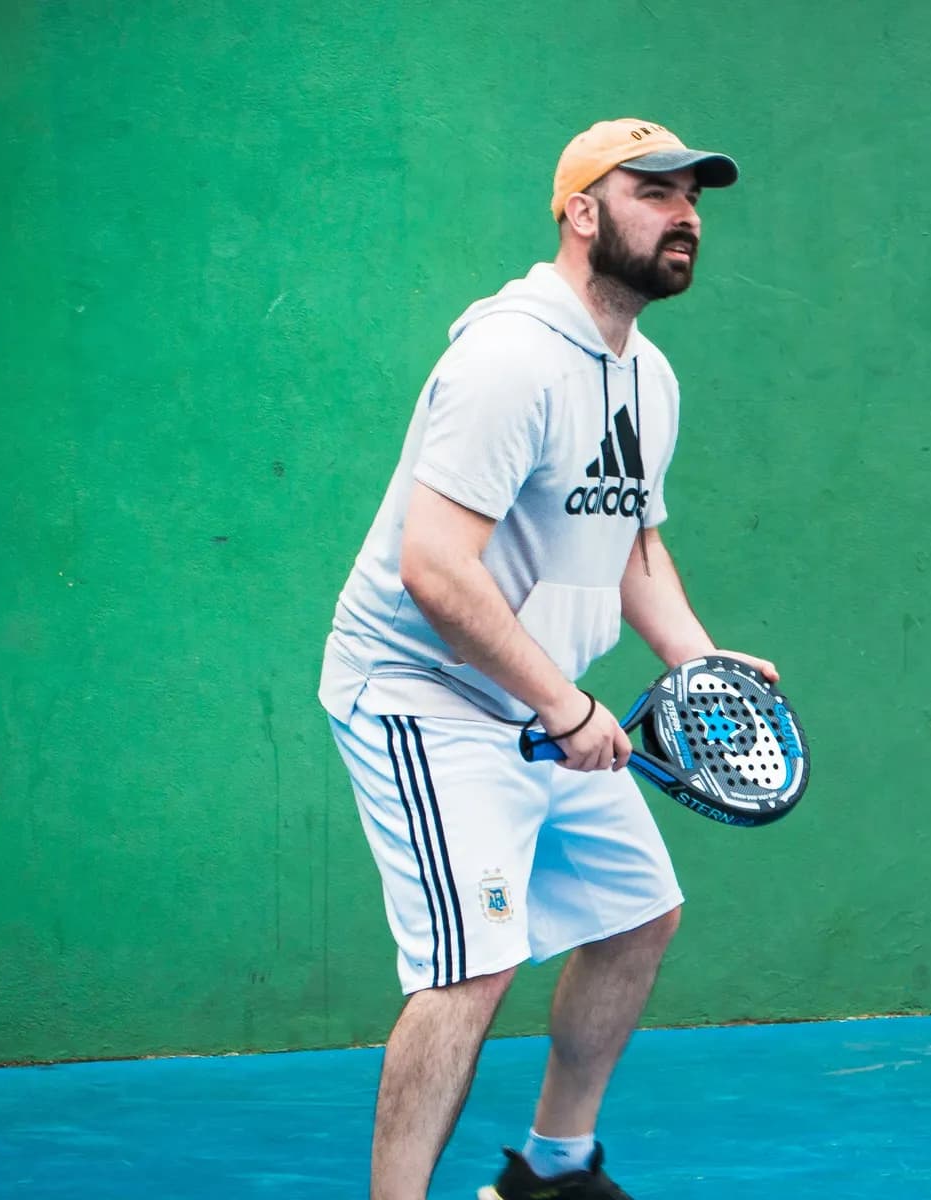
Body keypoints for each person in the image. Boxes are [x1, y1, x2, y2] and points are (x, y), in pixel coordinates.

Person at [316, 118, 773, 1200]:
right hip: (424, 697)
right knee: (470, 967)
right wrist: (568, 710)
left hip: (537, 702)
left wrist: (701, 666)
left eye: (694, 198)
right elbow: (435, 567)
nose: (685, 216)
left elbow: (634, 548)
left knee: (636, 915)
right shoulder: (509, 358)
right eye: (655, 193)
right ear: (580, 212)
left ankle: (554, 1170)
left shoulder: (646, 375)